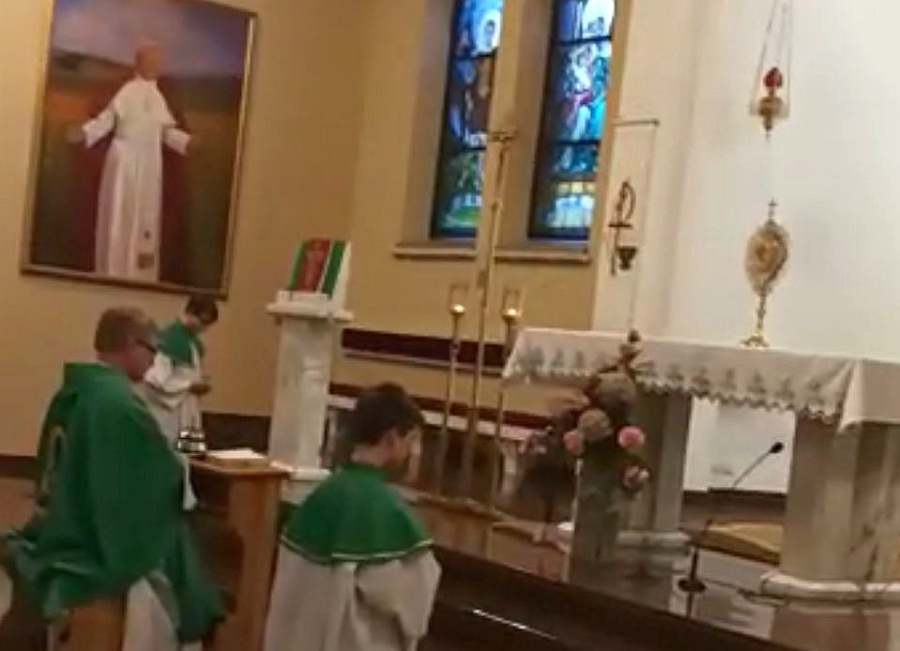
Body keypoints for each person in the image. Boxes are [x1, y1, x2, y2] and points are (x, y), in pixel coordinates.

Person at [2, 307, 222, 650]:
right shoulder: (117, 404)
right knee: (183, 563)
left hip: (59, 525)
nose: (154, 360)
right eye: (152, 350)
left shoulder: (77, 389)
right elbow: (158, 476)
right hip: (86, 544)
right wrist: (179, 472)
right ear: (131, 344)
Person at [264, 383, 440, 651]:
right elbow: (408, 600)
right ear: (392, 438)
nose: (410, 452)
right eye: (410, 441)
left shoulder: (320, 496)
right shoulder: (383, 508)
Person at [68, 41, 193, 283]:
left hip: (150, 164)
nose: (156, 66)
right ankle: (113, 271)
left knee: (146, 220)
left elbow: (165, 132)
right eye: (152, 61)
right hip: (123, 163)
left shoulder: (158, 95)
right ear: (140, 63)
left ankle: (140, 278)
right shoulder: (127, 91)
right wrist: (84, 133)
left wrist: (187, 142)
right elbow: (106, 121)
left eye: (158, 62)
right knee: (119, 215)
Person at [144, 295, 219, 447]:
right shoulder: (170, 339)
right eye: (203, 321)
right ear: (190, 312)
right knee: (170, 454)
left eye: (208, 324)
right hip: (171, 413)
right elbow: (155, 380)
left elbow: (187, 374)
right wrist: (188, 386)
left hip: (189, 410)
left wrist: (200, 382)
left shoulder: (194, 343)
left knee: (189, 455)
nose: (204, 327)